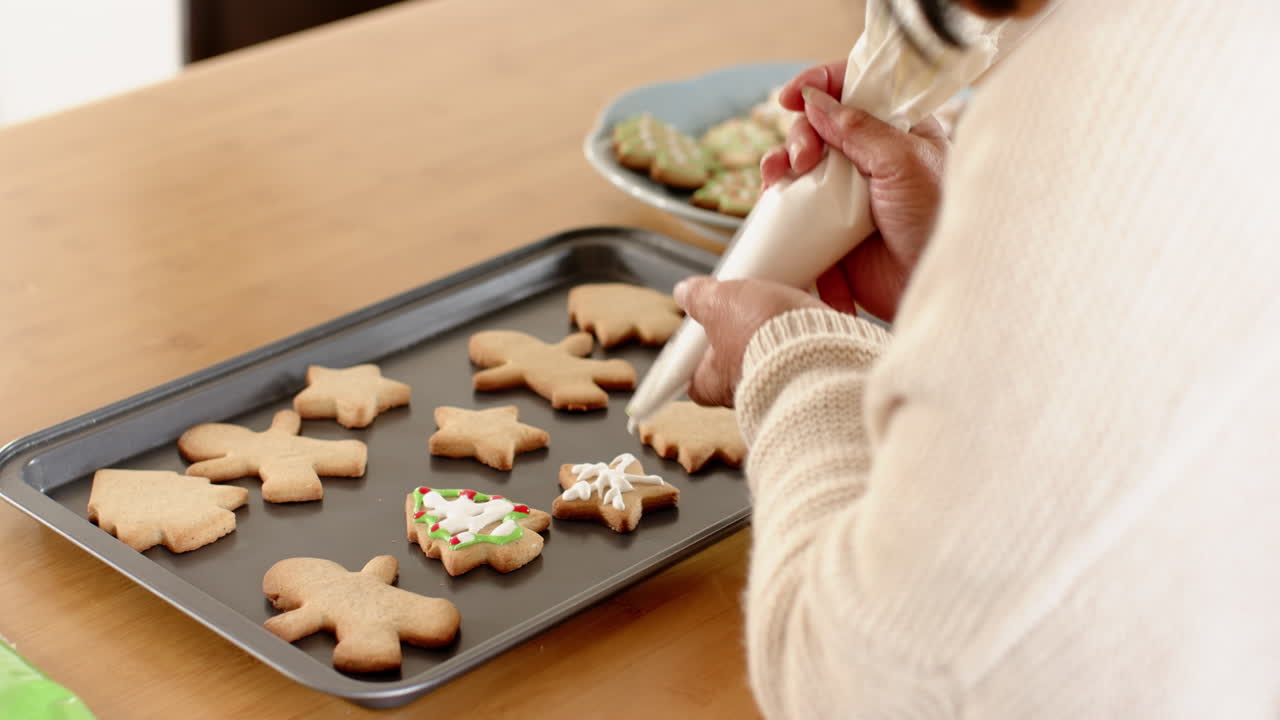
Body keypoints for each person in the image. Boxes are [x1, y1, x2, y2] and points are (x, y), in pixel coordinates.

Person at [674, 0, 1280, 717]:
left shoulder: (1098, 88)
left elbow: (875, 683)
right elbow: (1179, 382)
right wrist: (970, 272)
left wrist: (792, 363)